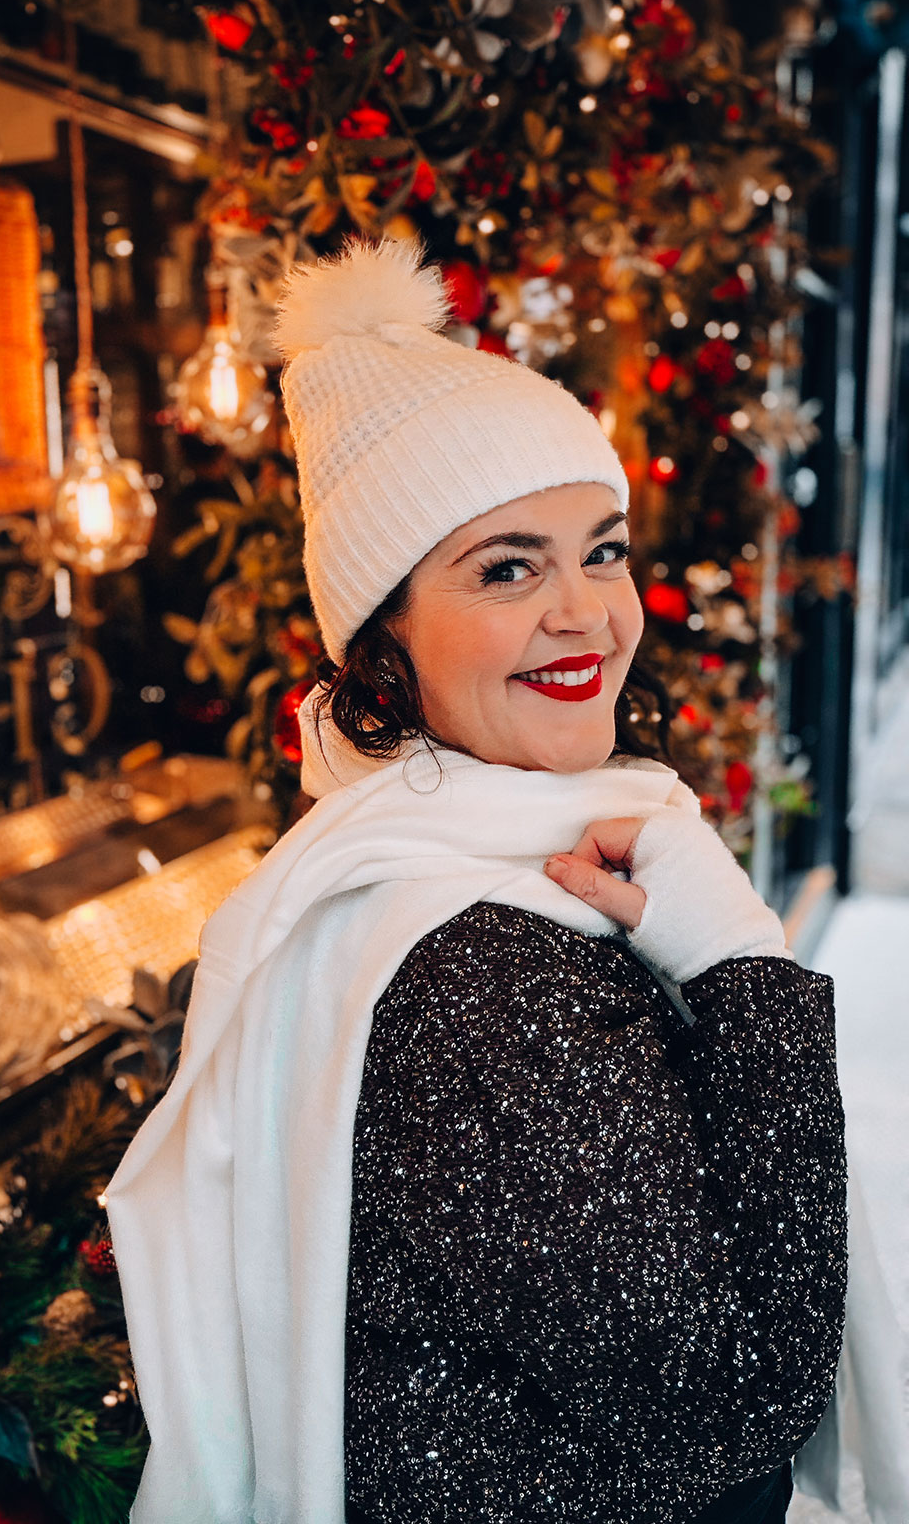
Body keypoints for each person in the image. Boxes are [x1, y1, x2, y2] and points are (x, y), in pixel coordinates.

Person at [102, 237, 847, 1524]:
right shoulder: (479, 978)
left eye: (600, 550)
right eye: (507, 567)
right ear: (385, 634)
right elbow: (736, 1394)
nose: (586, 613)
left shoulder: (489, 854)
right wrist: (744, 966)